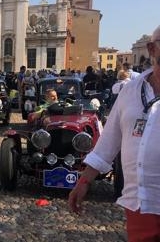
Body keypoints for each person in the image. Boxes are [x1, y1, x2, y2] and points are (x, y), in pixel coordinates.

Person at [68, 25, 160, 241]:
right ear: (152, 49)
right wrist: (84, 182)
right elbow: (108, 141)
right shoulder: (129, 91)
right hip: (140, 204)